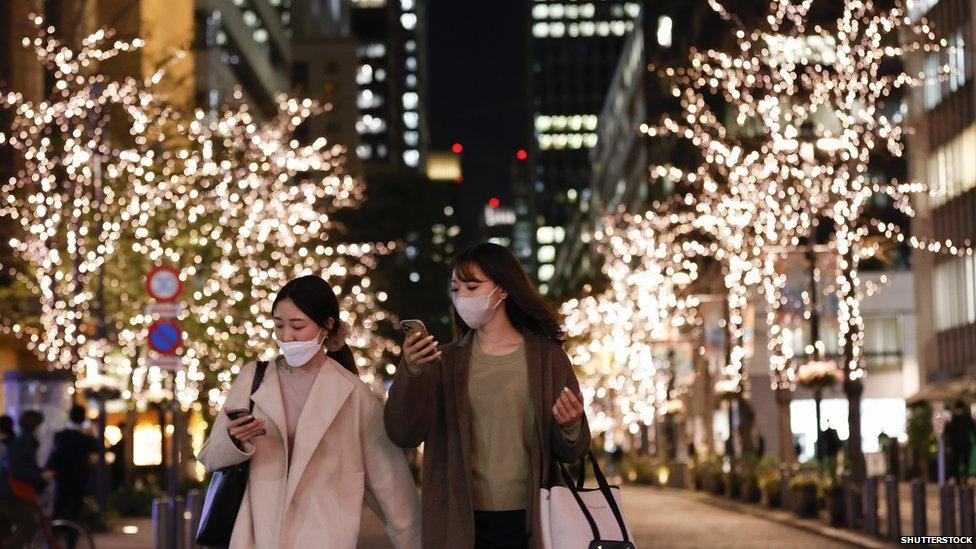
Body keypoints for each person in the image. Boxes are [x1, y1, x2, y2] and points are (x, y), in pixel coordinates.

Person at [385, 242, 591, 549]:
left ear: (504, 289)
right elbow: (403, 432)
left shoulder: (548, 358)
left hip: (533, 517)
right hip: (460, 519)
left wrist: (570, 424)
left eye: (472, 286)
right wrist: (411, 372)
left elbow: (573, 451)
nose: (462, 297)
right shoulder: (444, 361)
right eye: (455, 289)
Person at [197, 275, 421, 549]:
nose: (286, 336)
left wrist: (414, 540)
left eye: (297, 326)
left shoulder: (354, 395)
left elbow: (391, 485)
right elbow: (210, 457)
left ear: (327, 325)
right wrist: (233, 439)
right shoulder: (252, 378)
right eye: (278, 325)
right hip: (255, 536)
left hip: (323, 537)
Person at [45, 405, 100, 548]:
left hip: (61, 481)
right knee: (74, 515)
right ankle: (70, 544)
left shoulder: (60, 436)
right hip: (78, 482)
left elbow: (54, 456)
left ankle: (52, 543)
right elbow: (96, 451)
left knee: (57, 513)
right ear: (83, 418)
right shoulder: (85, 439)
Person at [0, 410, 46, 549]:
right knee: (28, 524)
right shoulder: (23, 443)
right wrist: (40, 477)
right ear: (36, 426)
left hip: (6, 490)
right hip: (8, 491)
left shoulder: (21, 442)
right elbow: (19, 470)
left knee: (5, 530)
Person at [947, 401, 976, 485]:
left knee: (955, 463)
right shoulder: (967, 417)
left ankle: (958, 481)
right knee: (966, 462)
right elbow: (972, 430)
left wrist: (949, 444)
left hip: (955, 444)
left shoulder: (954, 418)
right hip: (966, 443)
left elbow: (950, 433)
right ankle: (965, 480)